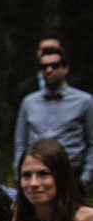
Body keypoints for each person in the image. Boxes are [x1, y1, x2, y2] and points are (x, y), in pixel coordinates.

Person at [14, 45, 93, 189]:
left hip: (71, 172)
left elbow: (91, 141)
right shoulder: (29, 102)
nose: (49, 70)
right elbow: (20, 141)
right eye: (44, 67)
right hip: (35, 173)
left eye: (54, 66)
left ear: (65, 68)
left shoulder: (84, 101)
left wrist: (86, 177)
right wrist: (18, 173)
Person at [14, 38, 88, 105]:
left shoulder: (77, 85)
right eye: (44, 50)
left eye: (52, 49)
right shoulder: (25, 89)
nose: (48, 53)